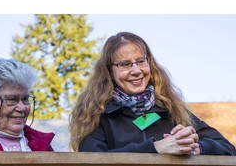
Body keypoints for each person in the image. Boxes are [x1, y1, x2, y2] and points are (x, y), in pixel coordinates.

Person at [69, 32, 236, 155]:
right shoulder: (95, 115)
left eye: (141, 61)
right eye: (125, 64)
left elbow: (229, 149)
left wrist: (196, 147)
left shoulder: (171, 109)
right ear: (109, 71)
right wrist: (156, 147)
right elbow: (93, 163)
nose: (136, 71)